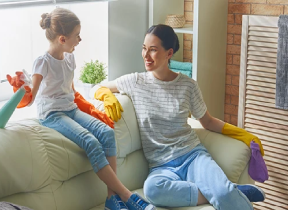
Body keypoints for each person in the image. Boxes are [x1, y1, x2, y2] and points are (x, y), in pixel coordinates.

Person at [91, 24, 266, 210]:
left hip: (193, 156)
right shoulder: (135, 81)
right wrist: (106, 96)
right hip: (161, 166)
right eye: (144, 48)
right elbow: (97, 87)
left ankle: (224, 191)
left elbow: (207, 121)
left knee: (222, 194)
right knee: (152, 190)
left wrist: (244, 135)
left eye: (153, 50)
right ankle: (228, 191)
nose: (146, 55)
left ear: (169, 53)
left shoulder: (188, 86)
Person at [27, 8, 156, 210]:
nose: (80, 39)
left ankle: (111, 199)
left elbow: (70, 91)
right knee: (90, 141)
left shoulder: (69, 59)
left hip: (69, 109)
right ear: (62, 39)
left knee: (106, 132)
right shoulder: (42, 63)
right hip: (51, 115)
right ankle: (125, 195)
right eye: (76, 36)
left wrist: (87, 106)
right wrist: (21, 88)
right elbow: (31, 97)